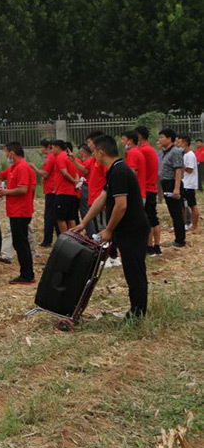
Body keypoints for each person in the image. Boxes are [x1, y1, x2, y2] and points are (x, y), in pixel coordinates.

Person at [72, 135, 149, 319]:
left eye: (93, 153)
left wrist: (108, 230)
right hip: (126, 230)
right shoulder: (114, 170)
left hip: (133, 229)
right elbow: (102, 198)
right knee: (132, 271)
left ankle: (137, 314)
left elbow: (121, 205)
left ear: (101, 152)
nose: (93, 157)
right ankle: (136, 310)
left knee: (135, 272)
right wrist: (84, 222)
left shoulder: (120, 172)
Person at [0, 142, 36, 284]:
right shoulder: (14, 167)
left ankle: (27, 275)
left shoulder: (23, 167)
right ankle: (25, 273)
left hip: (21, 211)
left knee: (21, 243)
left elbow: (23, 189)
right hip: (14, 211)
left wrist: (6, 192)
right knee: (19, 244)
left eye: (6, 153)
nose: (6, 156)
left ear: (12, 153)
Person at [157, 128, 186, 248]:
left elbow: (178, 170)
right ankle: (178, 238)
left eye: (162, 137)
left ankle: (180, 240)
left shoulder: (175, 152)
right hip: (167, 184)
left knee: (176, 213)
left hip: (172, 183)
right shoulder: (166, 151)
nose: (160, 140)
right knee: (173, 212)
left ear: (169, 139)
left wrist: (176, 188)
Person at [136, 126, 161, 255]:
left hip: (146, 188)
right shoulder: (150, 149)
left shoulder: (142, 151)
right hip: (151, 187)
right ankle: (156, 246)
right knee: (153, 218)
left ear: (139, 136)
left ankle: (149, 246)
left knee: (148, 219)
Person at [52, 140, 81, 234]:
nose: (52, 150)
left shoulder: (60, 157)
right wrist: (76, 182)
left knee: (60, 219)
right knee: (71, 218)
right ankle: (74, 239)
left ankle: (66, 239)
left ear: (57, 147)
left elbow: (64, 172)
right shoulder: (70, 157)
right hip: (72, 193)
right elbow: (76, 172)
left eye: (52, 147)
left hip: (63, 192)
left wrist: (73, 182)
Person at [33, 139, 58, 247]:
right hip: (52, 189)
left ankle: (47, 240)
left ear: (47, 147)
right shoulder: (52, 157)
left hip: (51, 190)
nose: (41, 149)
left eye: (42, 147)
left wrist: (34, 168)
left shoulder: (50, 158)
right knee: (55, 216)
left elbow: (45, 174)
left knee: (49, 216)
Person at [178, 135, 198, 233]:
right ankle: (183, 224)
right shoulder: (184, 155)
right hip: (184, 183)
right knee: (183, 205)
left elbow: (190, 170)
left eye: (180, 142)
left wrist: (181, 167)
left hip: (189, 184)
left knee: (192, 205)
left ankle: (194, 226)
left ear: (185, 143)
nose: (178, 145)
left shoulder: (190, 155)